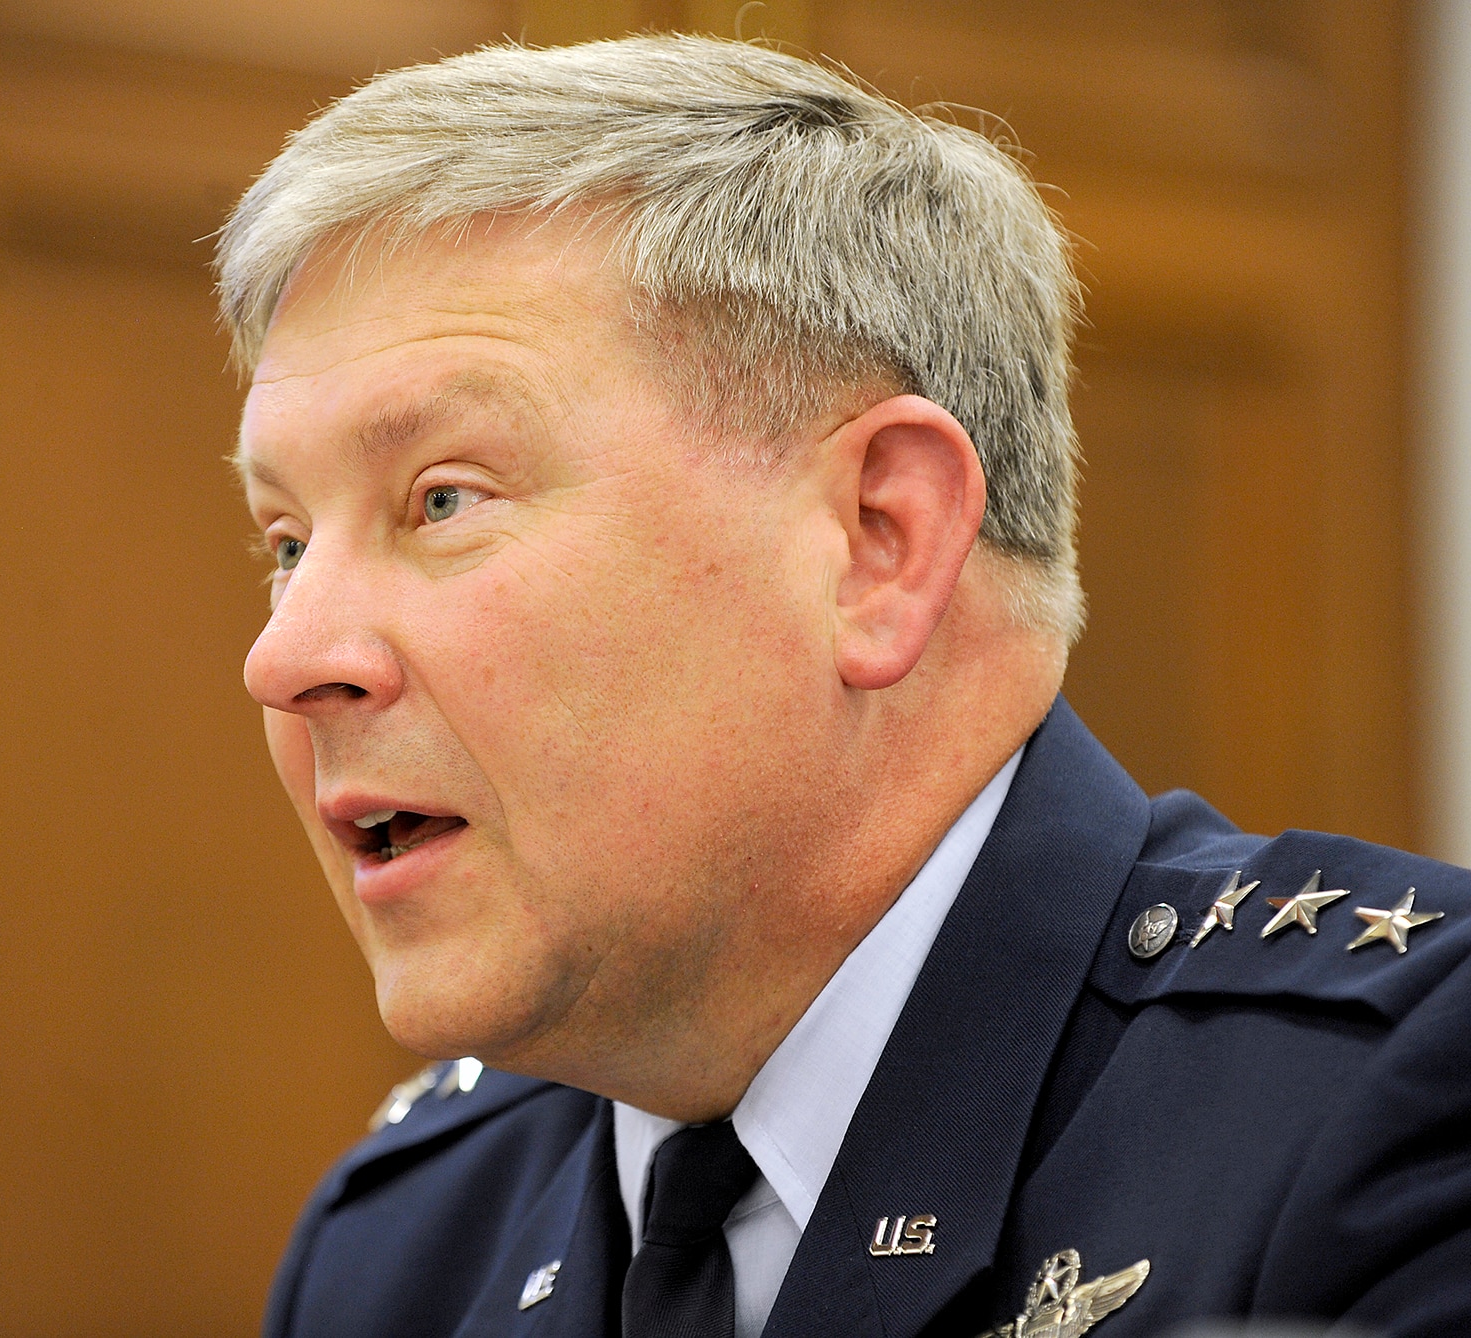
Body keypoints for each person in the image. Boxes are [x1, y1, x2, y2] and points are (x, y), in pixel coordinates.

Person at [216, 34, 1471, 1338]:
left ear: (880, 539)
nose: (287, 657)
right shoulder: (399, 1246)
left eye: (441, 500)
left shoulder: (1413, 1096)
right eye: (286, 544)